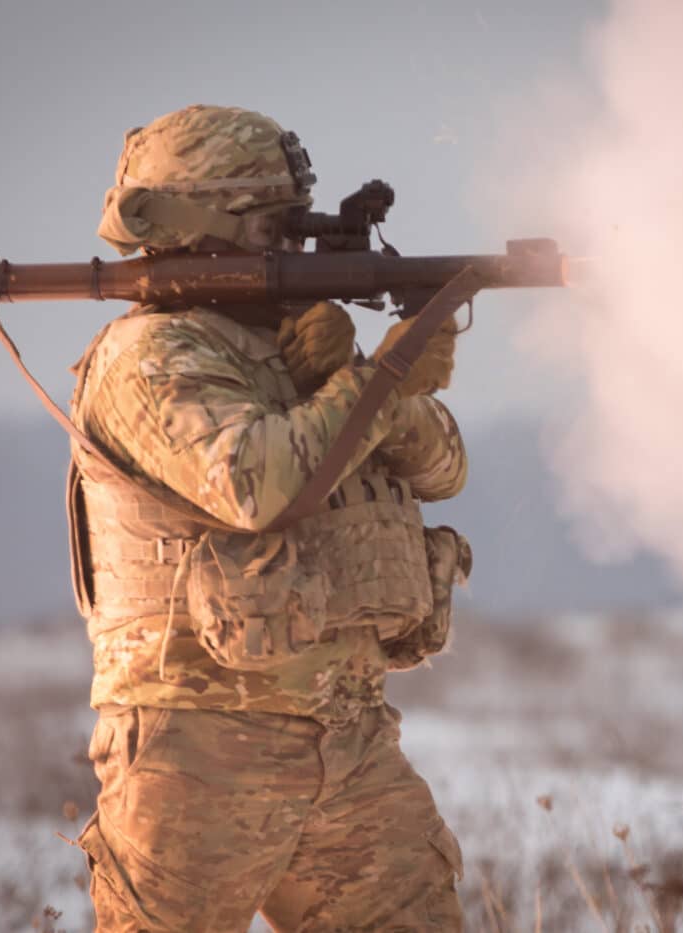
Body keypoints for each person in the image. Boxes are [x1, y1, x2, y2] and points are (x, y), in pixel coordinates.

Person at [66, 104, 470, 932]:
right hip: (197, 753)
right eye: (276, 226)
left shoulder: (294, 349)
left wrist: (361, 376)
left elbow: (445, 469)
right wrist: (382, 379)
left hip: (346, 738)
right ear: (205, 228)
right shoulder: (153, 357)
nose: (296, 244)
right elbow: (259, 484)